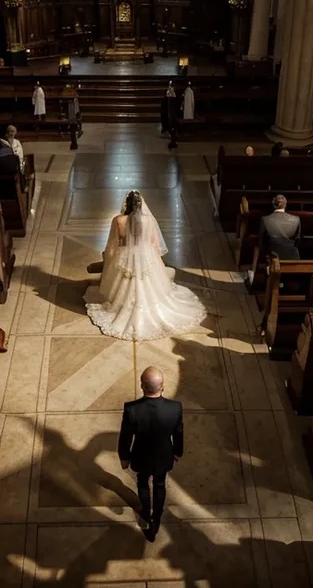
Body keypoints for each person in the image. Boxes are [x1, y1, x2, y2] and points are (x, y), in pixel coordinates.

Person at [84, 190, 206, 340]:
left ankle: (123, 304)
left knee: (122, 282)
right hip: (147, 256)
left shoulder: (118, 220)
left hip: (124, 256)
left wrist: (110, 262)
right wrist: (153, 260)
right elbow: (154, 243)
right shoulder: (148, 220)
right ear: (141, 205)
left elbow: (112, 246)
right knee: (149, 282)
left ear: (125, 204)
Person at [118, 366, 182, 541]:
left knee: (142, 484)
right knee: (160, 484)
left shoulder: (131, 409)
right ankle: (157, 518)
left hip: (141, 456)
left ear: (142, 386)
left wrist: (124, 457)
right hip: (164, 456)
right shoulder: (175, 408)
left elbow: (125, 437)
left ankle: (146, 516)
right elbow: (178, 433)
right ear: (162, 386)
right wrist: (177, 451)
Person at [258, 194, 301, 260]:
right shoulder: (296, 219)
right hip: (292, 257)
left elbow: (260, 243)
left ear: (274, 204)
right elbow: (297, 241)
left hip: (271, 258)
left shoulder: (265, 219)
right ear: (285, 205)